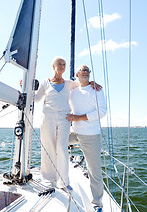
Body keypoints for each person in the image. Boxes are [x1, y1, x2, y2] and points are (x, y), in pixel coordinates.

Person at [35, 57, 100, 191]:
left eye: (64, 64)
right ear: (53, 66)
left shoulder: (70, 83)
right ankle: (48, 179)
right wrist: (25, 87)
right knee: (48, 147)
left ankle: (63, 182)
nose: (62, 66)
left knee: (62, 148)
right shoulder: (45, 82)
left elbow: (83, 84)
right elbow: (36, 99)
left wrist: (92, 82)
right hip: (48, 117)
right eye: (59, 64)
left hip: (65, 118)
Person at [66, 65, 106, 212]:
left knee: (94, 170)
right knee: (54, 142)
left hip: (91, 135)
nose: (84, 72)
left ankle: (97, 204)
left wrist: (78, 117)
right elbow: (54, 85)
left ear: (89, 74)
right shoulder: (72, 90)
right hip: (74, 132)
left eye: (87, 70)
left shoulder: (97, 89)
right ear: (77, 74)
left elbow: (102, 111)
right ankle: (58, 180)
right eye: (82, 70)